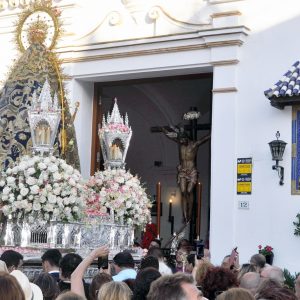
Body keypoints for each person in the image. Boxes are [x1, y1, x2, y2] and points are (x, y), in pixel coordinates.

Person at [162, 126, 210, 221]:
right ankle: (185, 215)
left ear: (186, 138)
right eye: (180, 141)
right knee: (183, 192)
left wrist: (214, 130)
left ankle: (190, 211)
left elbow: (204, 139)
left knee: (189, 191)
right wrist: (162, 129)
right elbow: (170, 136)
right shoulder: (181, 143)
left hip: (191, 171)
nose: (182, 143)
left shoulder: (194, 145)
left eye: (183, 141)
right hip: (183, 171)